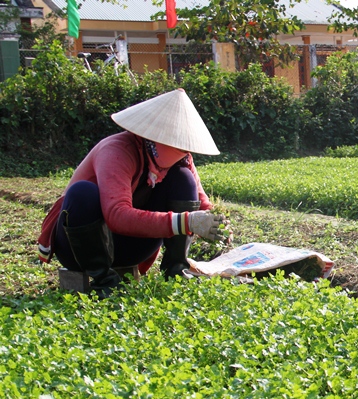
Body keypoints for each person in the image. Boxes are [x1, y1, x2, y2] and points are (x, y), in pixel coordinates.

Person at [37, 88, 226, 296]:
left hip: (131, 245)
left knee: (184, 178)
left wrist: (217, 223)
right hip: (80, 247)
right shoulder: (116, 151)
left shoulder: (180, 160)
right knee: (82, 192)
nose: (184, 151)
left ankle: (175, 268)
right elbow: (117, 215)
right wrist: (187, 221)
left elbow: (201, 202)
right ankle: (103, 281)